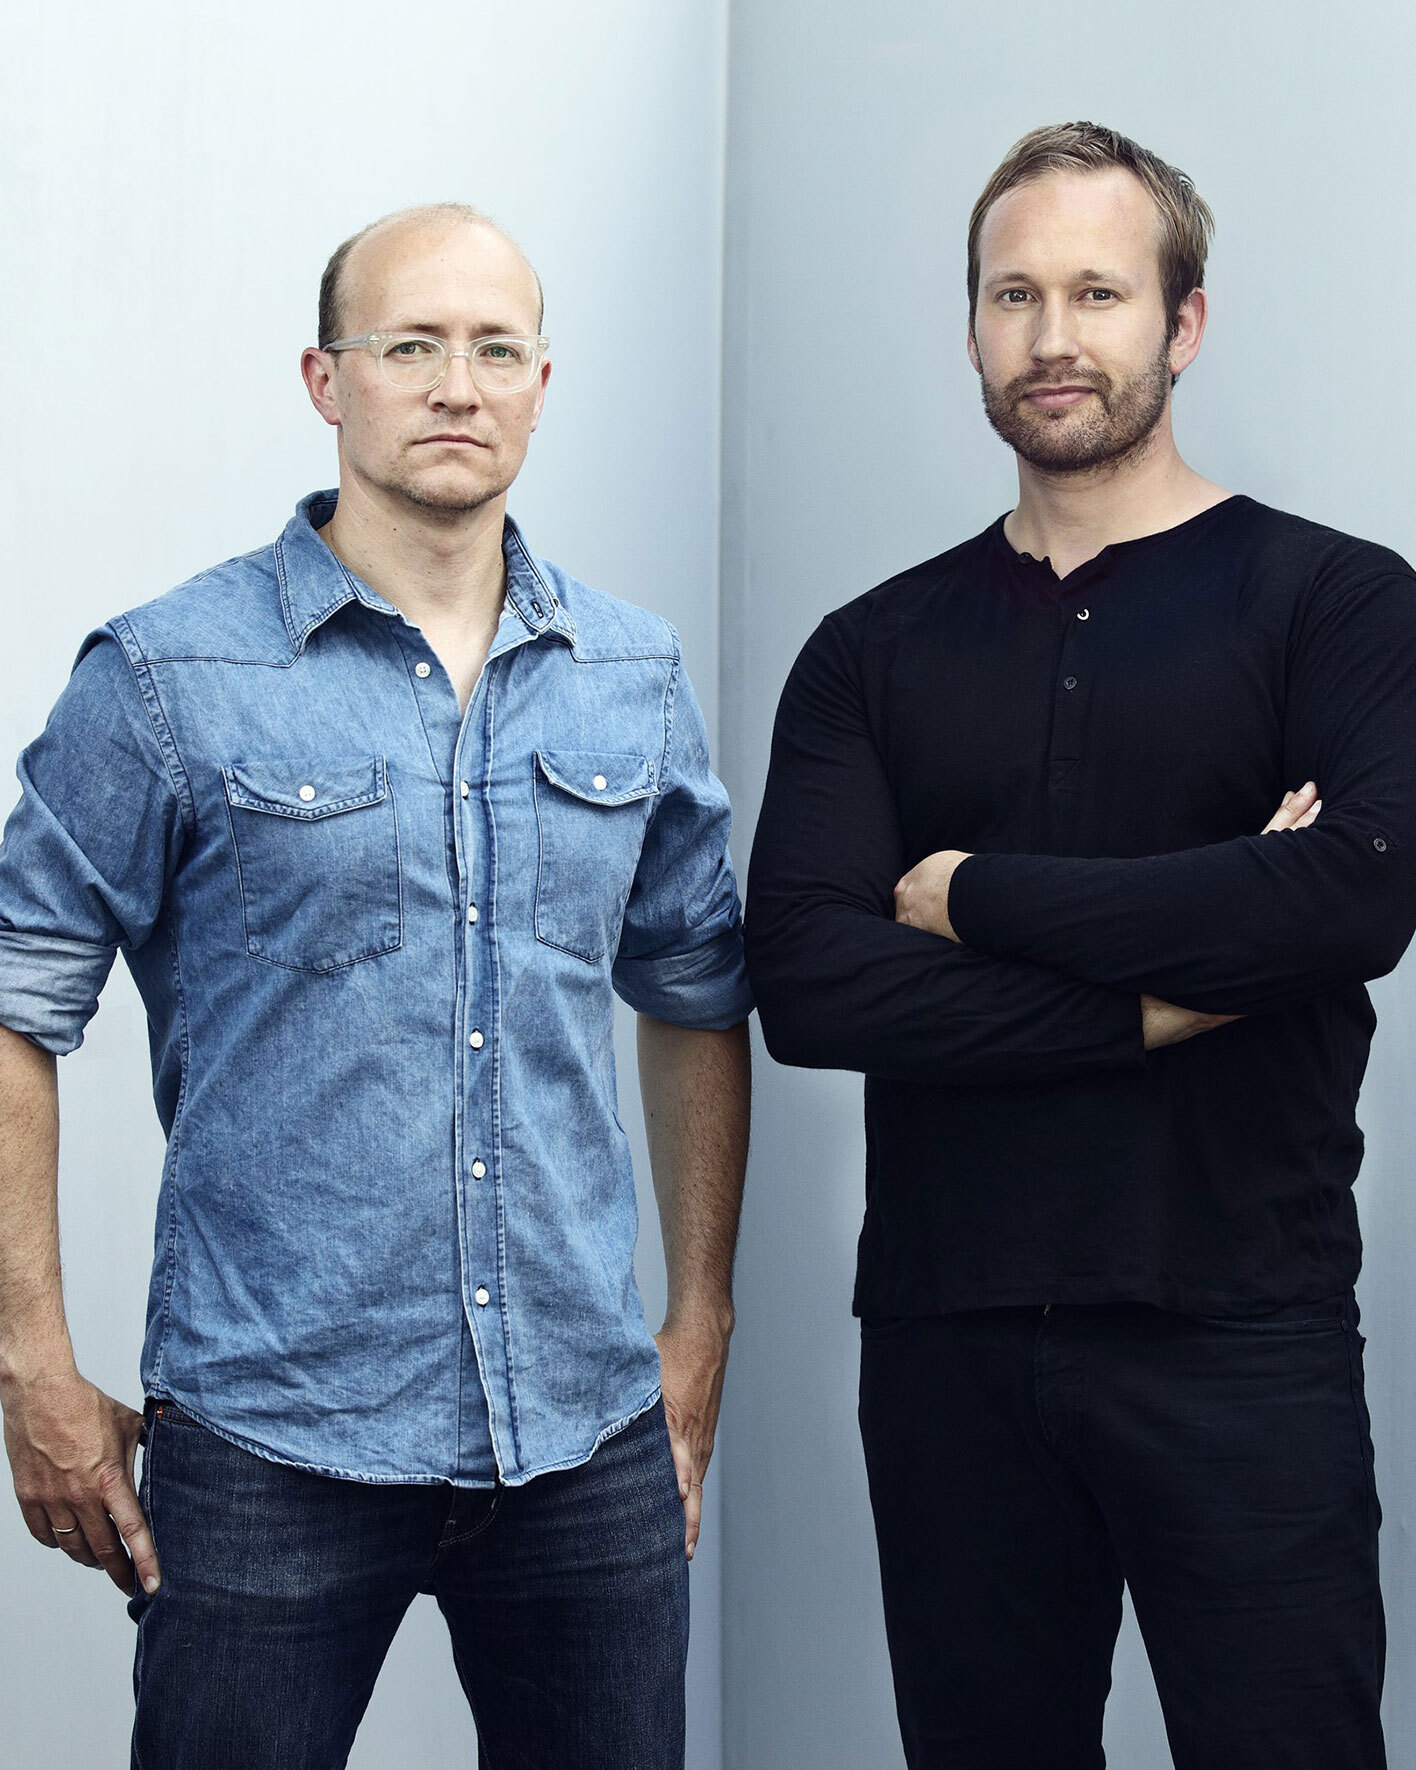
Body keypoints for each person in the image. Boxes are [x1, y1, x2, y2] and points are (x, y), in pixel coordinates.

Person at [0, 202, 752, 1770]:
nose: (456, 386)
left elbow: (695, 991)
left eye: (494, 349)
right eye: (410, 346)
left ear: (542, 383)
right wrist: (32, 1363)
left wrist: (698, 1320)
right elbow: (14, 1001)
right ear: (325, 379)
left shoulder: (632, 676)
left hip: (581, 1428)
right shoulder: (168, 674)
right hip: (270, 1435)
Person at [745, 122, 1414, 1770]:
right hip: (949, 1339)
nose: (1053, 336)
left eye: (1099, 293)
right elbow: (811, 983)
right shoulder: (868, 651)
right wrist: (1170, 993)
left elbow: (1350, 899)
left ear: (1185, 323)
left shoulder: (1337, 602)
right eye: (1014, 295)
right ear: (973, 328)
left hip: (1240, 1327)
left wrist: (971, 893)